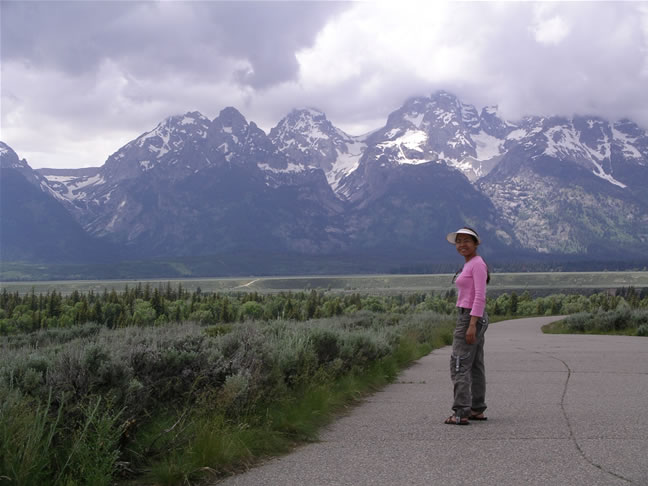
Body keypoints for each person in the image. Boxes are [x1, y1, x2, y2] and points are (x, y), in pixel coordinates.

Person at [444, 226, 489, 425]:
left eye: (466, 241)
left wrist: (472, 324)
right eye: (459, 241)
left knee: (459, 363)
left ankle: (461, 412)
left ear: (476, 243)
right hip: (473, 316)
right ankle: (476, 408)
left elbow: (480, 295)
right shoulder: (471, 263)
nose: (462, 245)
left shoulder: (477, 264)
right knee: (475, 365)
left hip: (470, 317)